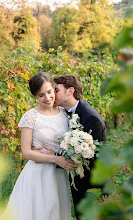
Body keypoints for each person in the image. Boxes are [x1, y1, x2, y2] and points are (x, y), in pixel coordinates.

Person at [2, 72, 74, 220]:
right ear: (35, 96)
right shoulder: (31, 116)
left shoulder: (64, 113)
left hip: (58, 174)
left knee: (56, 212)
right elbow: (26, 152)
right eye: (41, 95)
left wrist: (60, 157)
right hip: (38, 175)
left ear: (54, 89)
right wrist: (56, 159)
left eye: (49, 92)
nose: (47, 98)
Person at [36, 75, 106, 220]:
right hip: (77, 182)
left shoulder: (90, 117)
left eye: (56, 90)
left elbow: (95, 154)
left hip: (92, 183)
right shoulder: (63, 114)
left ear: (70, 91)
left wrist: (56, 156)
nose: (53, 95)